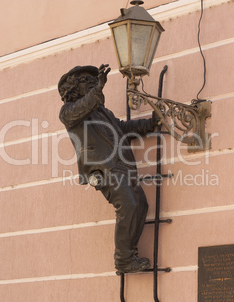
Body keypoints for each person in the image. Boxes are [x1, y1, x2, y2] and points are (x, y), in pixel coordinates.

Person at [58, 64, 159, 274]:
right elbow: (83, 107)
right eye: (87, 81)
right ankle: (124, 260)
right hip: (104, 168)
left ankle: (129, 254)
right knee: (128, 205)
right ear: (74, 87)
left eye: (94, 81)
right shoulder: (69, 111)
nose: (94, 83)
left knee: (141, 205)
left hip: (123, 165)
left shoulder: (101, 111)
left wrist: (150, 124)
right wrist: (99, 90)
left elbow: (123, 128)